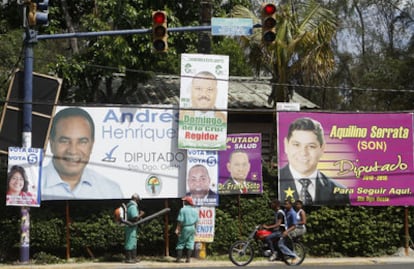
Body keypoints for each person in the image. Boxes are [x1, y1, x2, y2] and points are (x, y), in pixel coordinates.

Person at [41, 107, 123, 200]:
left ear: (91, 145)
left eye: (82, 142)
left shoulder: (110, 191)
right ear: (51, 144)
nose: (73, 151)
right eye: (64, 141)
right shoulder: (32, 185)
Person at [279, 117, 350, 205]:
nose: (303, 153)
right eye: (296, 145)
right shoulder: (274, 182)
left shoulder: (339, 191)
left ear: (322, 149)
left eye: (311, 146)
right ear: (286, 145)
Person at [175, 196, 199, 263]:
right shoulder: (195, 210)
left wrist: (177, 229)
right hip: (192, 227)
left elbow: (180, 221)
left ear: (187, 202)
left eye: (184, 201)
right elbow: (197, 221)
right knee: (190, 243)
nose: (183, 201)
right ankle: (188, 259)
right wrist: (195, 230)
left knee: (181, 242)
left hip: (185, 227)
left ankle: (178, 259)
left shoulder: (183, 210)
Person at [124, 193, 145, 263]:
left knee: (133, 242)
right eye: (138, 200)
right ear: (135, 199)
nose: (139, 201)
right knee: (130, 242)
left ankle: (133, 258)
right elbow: (134, 218)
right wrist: (141, 214)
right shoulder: (133, 206)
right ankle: (129, 258)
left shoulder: (130, 205)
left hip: (132, 227)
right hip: (130, 227)